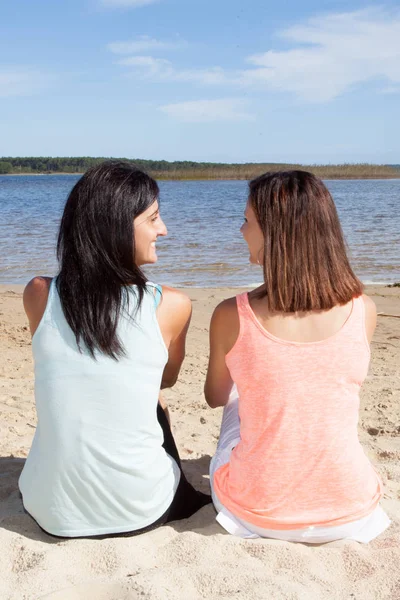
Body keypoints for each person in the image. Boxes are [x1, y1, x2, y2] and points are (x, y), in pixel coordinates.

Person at [19, 161, 210, 538]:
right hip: (140, 511)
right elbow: (164, 381)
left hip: (49, 509)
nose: (164, 230)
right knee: (155, 399)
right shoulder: (170, 305)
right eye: (153, 219)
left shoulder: (39, 293)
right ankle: (180, 494)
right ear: (117, 226)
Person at [204, 170, 391, 543]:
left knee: (237, 401)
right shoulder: (364, 310)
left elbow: (215, 396)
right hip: (350, 512)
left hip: (258, 514)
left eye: (247, 221)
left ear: (276, 233)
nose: (241, 230)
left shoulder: (231, 314)